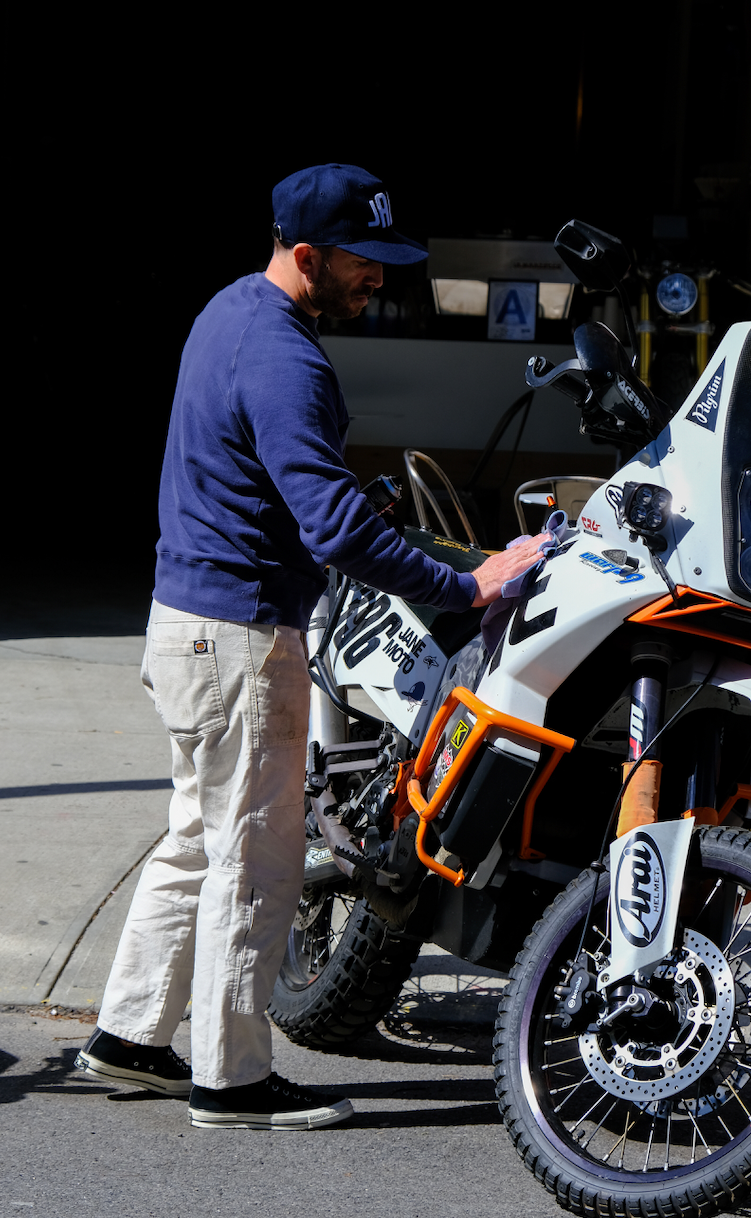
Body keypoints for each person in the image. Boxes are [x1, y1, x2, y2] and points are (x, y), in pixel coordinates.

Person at [75, 164, 546, 1130]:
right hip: (241, 637)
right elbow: (330, 524)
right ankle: (232, 1082)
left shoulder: (229, 313)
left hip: (187, 628)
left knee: (196, 843)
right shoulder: (286, 356)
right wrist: (467, 586)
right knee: (256, 858)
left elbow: (277, 485)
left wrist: (370, 516)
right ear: (307, 255)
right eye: (363, 262)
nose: (380, 277)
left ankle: (127, 1041)